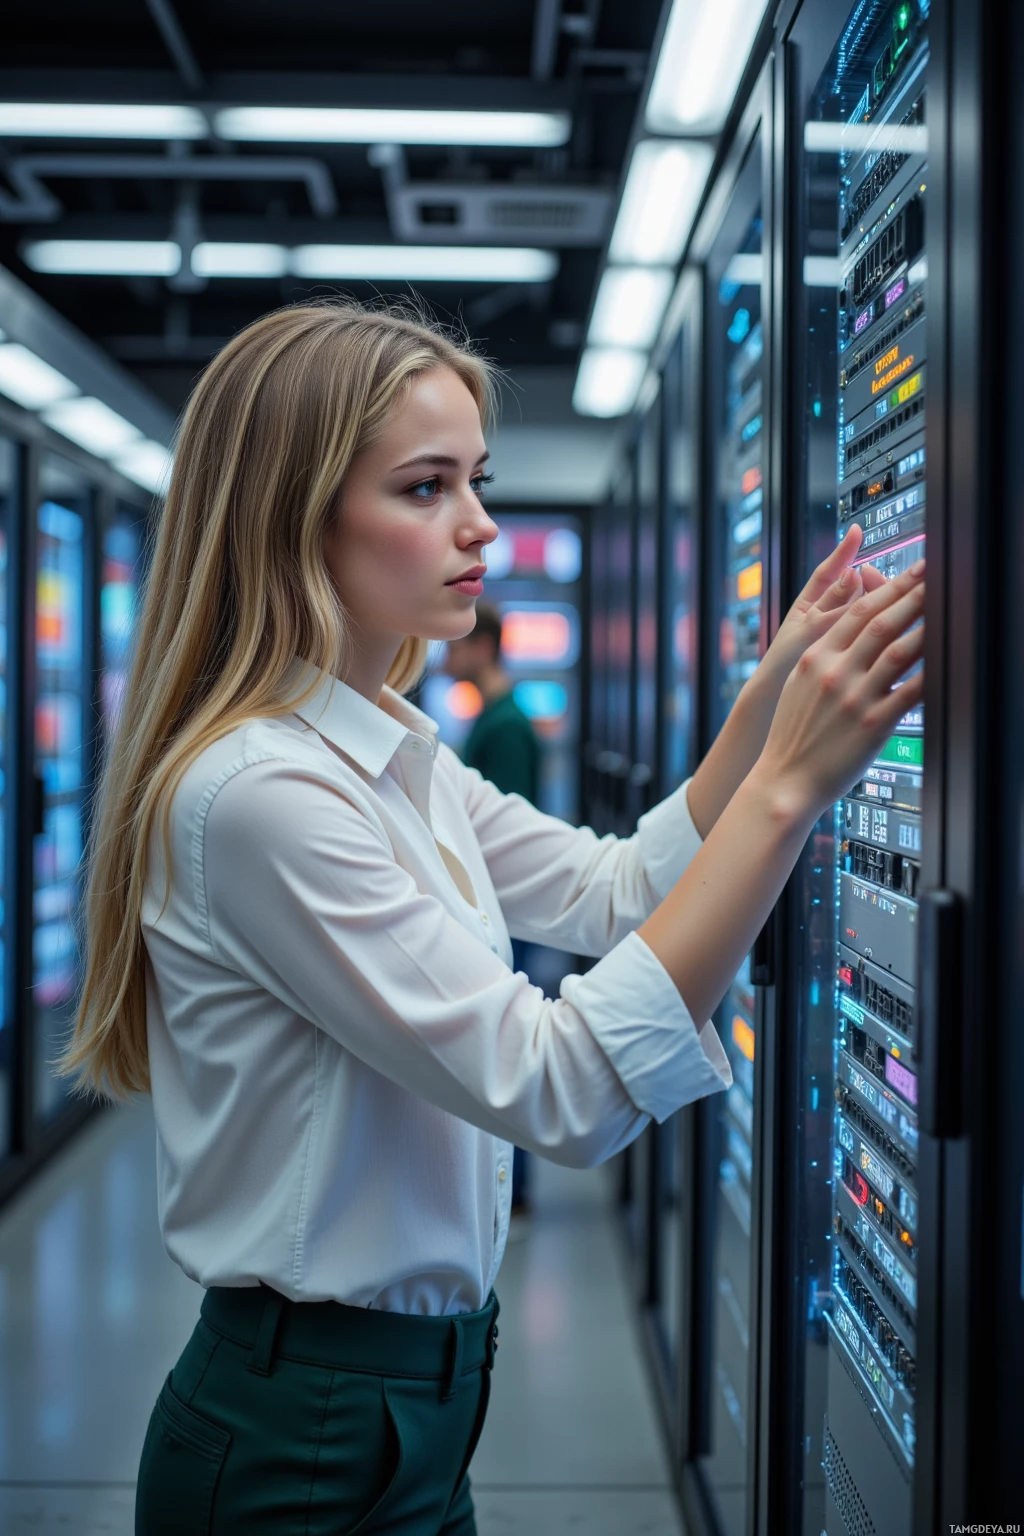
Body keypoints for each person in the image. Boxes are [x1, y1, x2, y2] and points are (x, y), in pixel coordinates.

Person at [58, 299, 924, 1536]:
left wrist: (769, 694)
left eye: (478, 479)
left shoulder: (389, 749)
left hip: (413, 1411)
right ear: (289, 518)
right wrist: (789, 785)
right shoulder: (260, 794)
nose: (480, 527)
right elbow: (557, 1085)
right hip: (299, 1438)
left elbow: (617, 889)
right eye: (423, 488)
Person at [443, 603, 539, 1222]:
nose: (446, 659)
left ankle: (517, 1191)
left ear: (481, 647)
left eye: (456, 646)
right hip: (493, 912)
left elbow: (496, 846)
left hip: (499, 913)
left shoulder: (505, 726)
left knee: (509, 1045)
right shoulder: (496, 718)